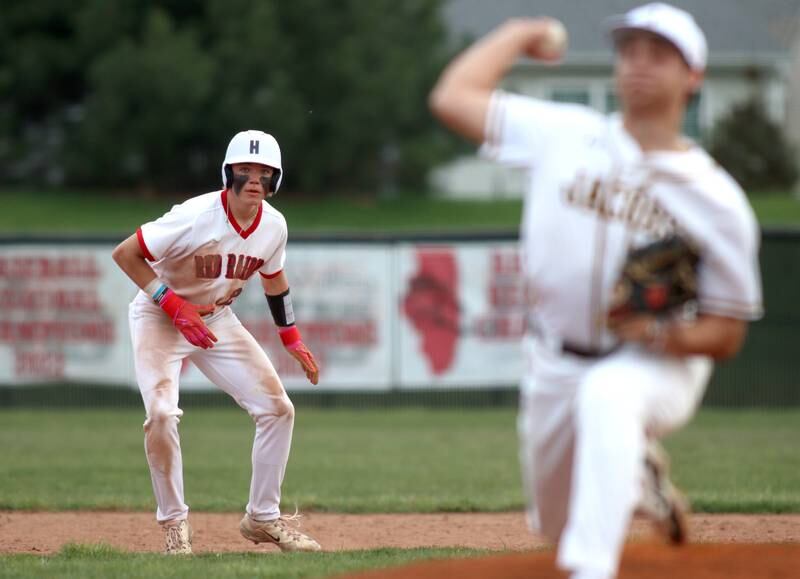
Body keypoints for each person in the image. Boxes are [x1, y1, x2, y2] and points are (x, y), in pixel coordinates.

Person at [429, 4, 762, 579]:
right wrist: (518, 32)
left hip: (654, 358)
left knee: (609, 396)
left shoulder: (717, 199)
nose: (638, 63)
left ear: (694, 77)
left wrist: (658, 331)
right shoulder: (566, 133)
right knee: (555, 526)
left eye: (658, 55)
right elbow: (453, 98)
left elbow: (727, 333)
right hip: (554, 356)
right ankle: (638, 477)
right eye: (629, 50)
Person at [112, 130, 322, 555]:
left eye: (264, 172)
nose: (254, 180)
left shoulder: (274, 225)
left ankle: (263, 517)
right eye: (245, 170)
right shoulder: (195, 215)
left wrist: (291, 335)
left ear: (276, 179)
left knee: (278, 409)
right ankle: (175, 524)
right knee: (161, 415)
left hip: (215, 320)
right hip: (159, 315)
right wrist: (172, 306)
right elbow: (126, 253)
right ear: (228, 172)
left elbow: (274, 278)